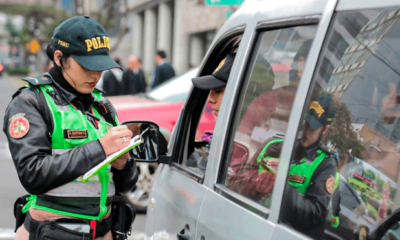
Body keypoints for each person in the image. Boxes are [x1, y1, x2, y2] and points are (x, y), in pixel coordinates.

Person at [4, 16, 138, 240]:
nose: (96, 75)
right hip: (54, 232)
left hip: (103, 231)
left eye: (101, 67)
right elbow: (32, 174)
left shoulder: (102, 105)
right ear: (59, 58)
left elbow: (123, 187)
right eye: (87, 66)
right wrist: (100, 149)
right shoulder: (31, 101)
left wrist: (124, 166)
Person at [257, 93, 338, 239]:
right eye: (306, 123)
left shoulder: (326, 164)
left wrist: (280, 181)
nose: (306, 131)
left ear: (324, 130)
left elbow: (316, 214)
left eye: (313, 128)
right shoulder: (281, 146)